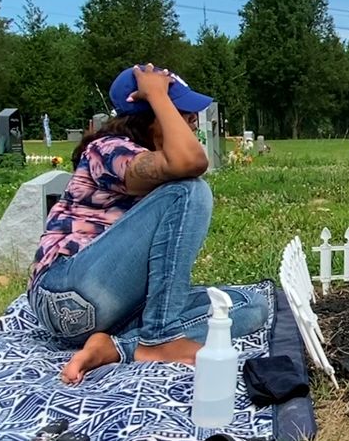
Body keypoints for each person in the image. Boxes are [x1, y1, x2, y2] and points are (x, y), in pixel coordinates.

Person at [29, 64, 269, 384]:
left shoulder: (143, 154)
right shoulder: (107, 149)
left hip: (112, 309)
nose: (192, 119)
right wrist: (157, 93)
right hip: (64, 293)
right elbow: (191, 162)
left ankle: (118, 347)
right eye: (180, 110)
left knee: (251, 306)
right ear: (147, 113)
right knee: (189, 190)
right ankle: (160, 337)